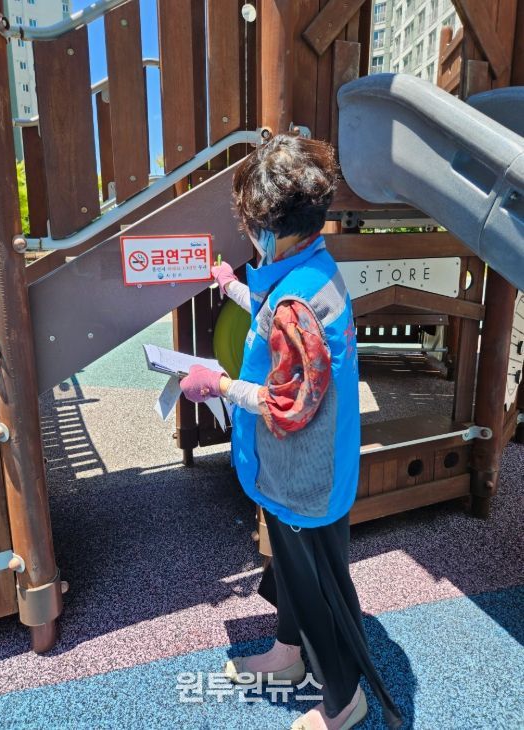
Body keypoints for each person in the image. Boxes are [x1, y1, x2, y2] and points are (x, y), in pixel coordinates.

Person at [179, 134, 402, 730]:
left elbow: (287, 405)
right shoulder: (311, 268)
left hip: (302, 475)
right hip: (315, 467)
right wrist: (230, 285)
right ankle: (286, 654)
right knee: (294, 568)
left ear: (267, 227)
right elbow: (273, 305)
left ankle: (344, 700)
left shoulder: (294, 308)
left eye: (249, 224)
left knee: (319, 589)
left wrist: (217, 385)